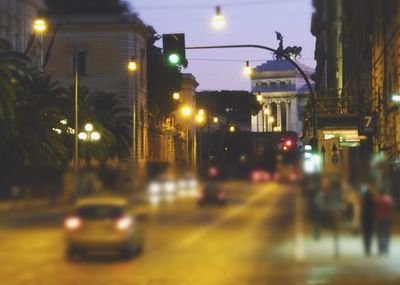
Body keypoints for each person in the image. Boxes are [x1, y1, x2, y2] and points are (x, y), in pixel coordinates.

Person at [360, 183, 375, 256]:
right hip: (370, 221)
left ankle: (366, 248)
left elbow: (362, 214)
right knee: (369, 235)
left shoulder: (364, 205)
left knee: (365, 235)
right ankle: (368, 248)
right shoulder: (372, 203)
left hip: (365, 221)